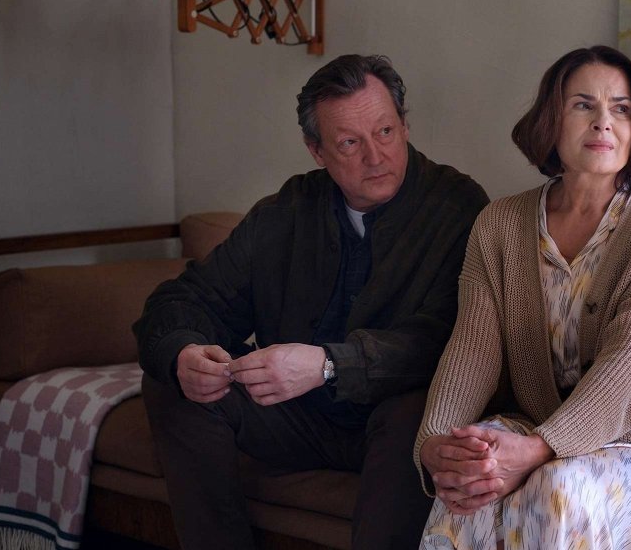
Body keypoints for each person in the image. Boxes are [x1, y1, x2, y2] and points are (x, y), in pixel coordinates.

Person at [135, 54, 489, 550]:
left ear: (405, 125)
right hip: (297, 416)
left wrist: (328, 364)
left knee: (415, 412)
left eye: (385, 132)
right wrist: (184, 354)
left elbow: (448, 340)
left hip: (393, 423)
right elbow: (187, 299)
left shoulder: (459, 206)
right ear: (317, 151)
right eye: (349, 143)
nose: (375, 156)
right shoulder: (287, 210)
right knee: (172, 383)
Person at [414, 45, 631, 549]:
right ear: (552, 119)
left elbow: (630, 366)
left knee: (557, 486)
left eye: (621, 108)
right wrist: (436, 443)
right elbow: (473, 349)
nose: (603, 122)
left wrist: (538, 450)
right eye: (583, 105)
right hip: (528, 429)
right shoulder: (499, 223)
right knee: (471, 473)